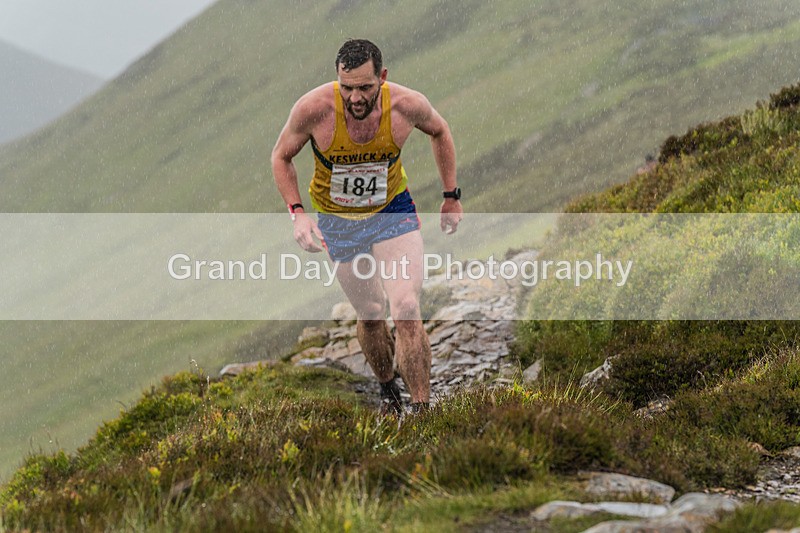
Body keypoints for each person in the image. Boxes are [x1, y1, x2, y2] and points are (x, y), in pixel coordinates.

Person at [271, 39, 461, 414]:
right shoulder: (313, 110)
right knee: (372, 312)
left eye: (365, 88)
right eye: (347, 88)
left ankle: (422, 412)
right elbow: (281, 157)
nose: (355, 98)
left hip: (391, 210)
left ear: (382, 78)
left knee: (405, 306)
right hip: (338, 222)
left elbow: (440, 131)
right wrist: (297, 212)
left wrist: (451, 195)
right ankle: (388, 387)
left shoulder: (406, 105)